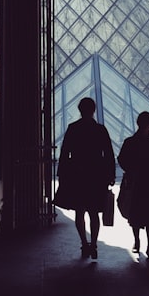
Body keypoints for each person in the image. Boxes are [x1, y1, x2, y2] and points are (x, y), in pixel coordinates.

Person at [55, 97, 115, 260]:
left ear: (80, 110)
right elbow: (109, 154)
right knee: (94, 212)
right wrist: (111, 174)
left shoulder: (73, 128)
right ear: (94, 110)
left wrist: (62, 174)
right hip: (96, 175)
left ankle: (84, 243)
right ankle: (94, 244)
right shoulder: (100, 130)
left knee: (79, 211)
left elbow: (64, 153)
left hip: (77, 175)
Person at [117, 111, 149, 259]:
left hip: (136, 184)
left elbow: (121, 160)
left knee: (136, 215)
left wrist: (131, 169)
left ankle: (137, 242)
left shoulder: (130, 142)